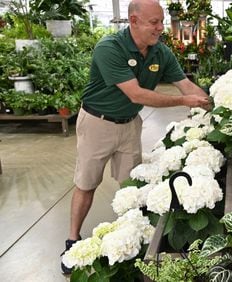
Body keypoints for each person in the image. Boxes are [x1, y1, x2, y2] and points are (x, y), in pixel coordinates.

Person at [61, 0, 210, 274]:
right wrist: (184, 101)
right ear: (133, 21)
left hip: (130, 124)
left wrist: (209, 101)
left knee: (131, 186)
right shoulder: (110, 48)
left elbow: (185, 84)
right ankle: (72, 239)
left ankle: (128, 241)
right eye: (154, 22)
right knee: (86, 183)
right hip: (98, 122)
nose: (160, 28)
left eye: (161, 21)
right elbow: (137, 94)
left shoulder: (160, 53)